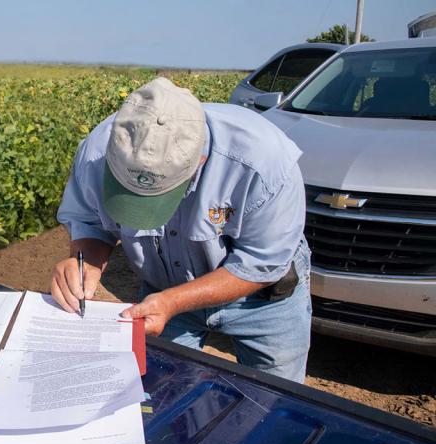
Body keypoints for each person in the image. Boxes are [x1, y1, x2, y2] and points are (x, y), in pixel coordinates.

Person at [51, 77, 311, 383]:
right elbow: (91, 222)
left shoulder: (263, 162)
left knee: (274, 401)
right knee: (165, 391)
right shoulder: (96, 153)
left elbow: (259, 262)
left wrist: (173, 301)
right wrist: (85, 262)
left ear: (199, 162)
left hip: (262, 302)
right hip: (162, 292)